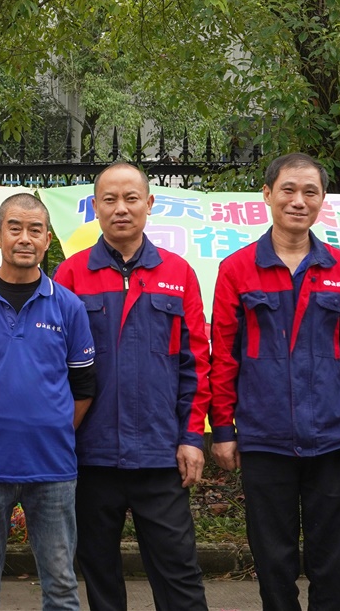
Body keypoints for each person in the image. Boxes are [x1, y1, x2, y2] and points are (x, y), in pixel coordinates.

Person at [208, 152, 340, 611]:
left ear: (323, 200)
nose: (298, 201)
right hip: (264, 438)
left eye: (310, 192)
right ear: (267, 195)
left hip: (332, 437)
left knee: (336, 560)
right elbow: (223, 356)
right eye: (288, 190)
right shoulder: (237, 269)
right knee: (273, 559)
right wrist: (223, 429)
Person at [52, 162, 211, 611]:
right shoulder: (71, 276)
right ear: (95, 207)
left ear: (149, 204)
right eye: (109, 200)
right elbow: (52, 367)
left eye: (131, 198)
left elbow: (195, 363)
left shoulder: (178, 273)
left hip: (160, 455)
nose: (120, 208)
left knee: (179, 574)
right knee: (99, 575)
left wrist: (191, 437)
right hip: (90, 455)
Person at [0, 193, 97, 611]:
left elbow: (84, 386)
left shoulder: (68, 306)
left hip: (53, 468)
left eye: (36, 230)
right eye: (15, 228)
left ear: (48, 240)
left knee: (62, 586)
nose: (25, 238)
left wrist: (52, 427)